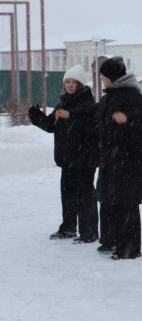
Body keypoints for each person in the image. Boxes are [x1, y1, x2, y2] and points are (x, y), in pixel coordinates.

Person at [28, 65, 99, 243]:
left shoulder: (88, 102)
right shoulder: (63, 103)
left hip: (84, 159)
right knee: (67, 195)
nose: (69, 85)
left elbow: (88, 120)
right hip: (68, 160)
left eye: (73, 82)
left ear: (80, 84)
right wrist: (36, 116)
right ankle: (68, 228)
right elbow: (51, 125)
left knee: (85, 196)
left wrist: (70, 115)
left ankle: (88, 232)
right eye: (67, 82)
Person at [95, 56, 142, 260]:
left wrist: (128, 119)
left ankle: (129, 248)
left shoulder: (130, 95)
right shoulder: (110, 96)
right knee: (109, 200)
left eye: (103, 75)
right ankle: (112, 240)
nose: (101, 78)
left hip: (127, 160)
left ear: (111, 77)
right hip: (111, 158)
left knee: (126, 202)